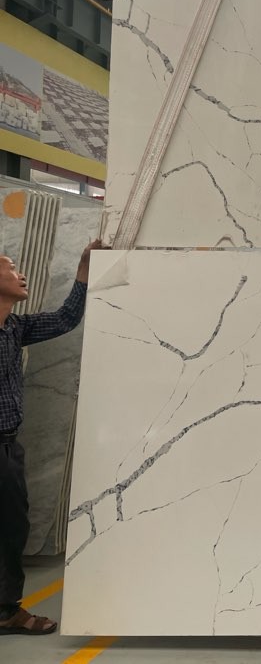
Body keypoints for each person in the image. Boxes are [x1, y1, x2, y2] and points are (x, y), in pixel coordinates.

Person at [0, 239, 102, 635]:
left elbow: (64, 320)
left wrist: (84, 269)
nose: (20, 274)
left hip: (8, 447)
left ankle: (6, 611)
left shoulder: (14, 328)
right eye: (10, 268)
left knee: (12, 530)